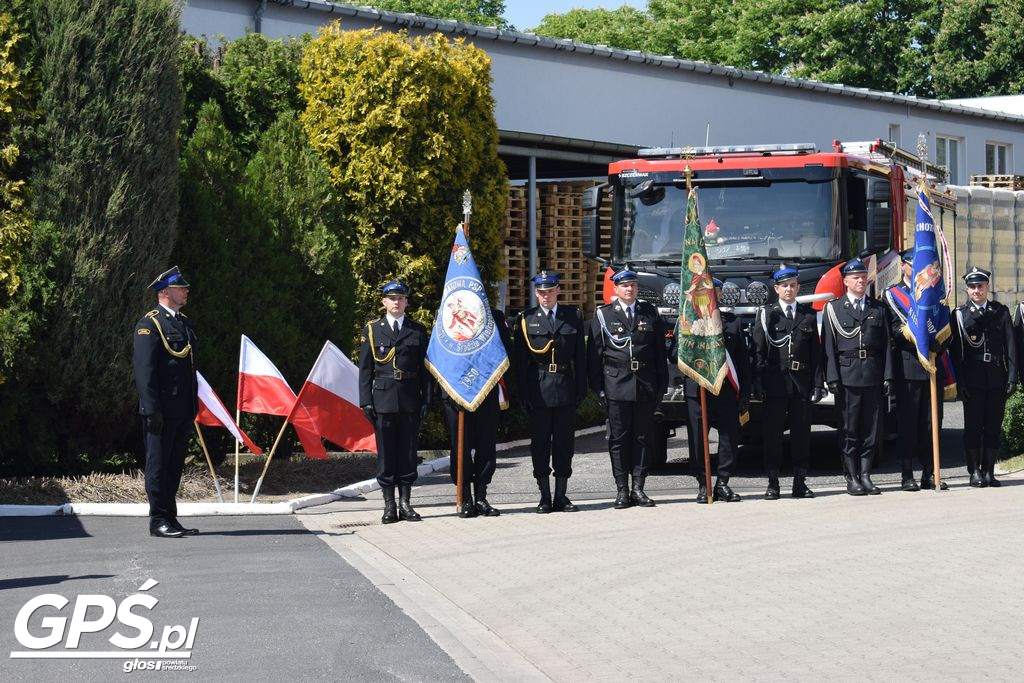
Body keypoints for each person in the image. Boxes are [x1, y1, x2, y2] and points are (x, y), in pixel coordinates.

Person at [587, 269, 668, 509]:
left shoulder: (649, 313)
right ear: (616, 289)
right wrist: (599, 388)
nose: (629, 289)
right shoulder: (604, 315)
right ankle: (622, 488)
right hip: (616, 384)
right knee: (619, 439)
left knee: (643, 437)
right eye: (624, 286)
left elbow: (659, 354)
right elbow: (595, 356)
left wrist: (661, 387)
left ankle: (639, 488)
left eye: (632, 285)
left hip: (644, 384)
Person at [133, 266, 199, 538]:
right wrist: (151, 409)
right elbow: (144, 371)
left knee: (174, 465)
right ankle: (157, 519)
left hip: (182, 408)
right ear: (165, 292)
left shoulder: (183, 323)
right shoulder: (150, 325)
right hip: (161, 410)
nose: (185, 291)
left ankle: (170, 518)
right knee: (158, 465)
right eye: (180, 287)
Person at [514, 271, 587, 513]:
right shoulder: (526, 319)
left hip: (565, 386)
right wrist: (523, 394)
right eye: (541, 292)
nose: (546, 296)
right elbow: (520, 361)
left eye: (550, 291)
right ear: (536, 293)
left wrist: (581, 389)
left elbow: (580, 357)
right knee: (541, 443)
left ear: (558, 291)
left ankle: (561, 496)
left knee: (565, 444)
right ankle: (544, 496)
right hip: (539, 389)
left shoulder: (572, 316)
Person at [358, 280, 430, 524]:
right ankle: (389, 505)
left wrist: (426, 399)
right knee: (387, 454)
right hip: (383, 400)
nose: (396, 302)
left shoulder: (417, 330)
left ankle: (406, 504)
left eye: (401, 298)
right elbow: (365, 370)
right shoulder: (372, 330)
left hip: (410, 398)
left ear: (407, 301)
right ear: (383, 302)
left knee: (408, 453)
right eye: (392, 298)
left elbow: (425, 369)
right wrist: (366, 401)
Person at [822, 259, 894, 496]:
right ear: (845, 282)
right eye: (855, 278)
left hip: (872, 375)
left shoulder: (878, 309)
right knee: (849, 430)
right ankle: (851, 476)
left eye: (863, 277)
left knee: (871, 430)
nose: (860, 281)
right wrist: (832, 377)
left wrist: (887, 377)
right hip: (847, 377)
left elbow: (886, 347)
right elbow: (829, 348)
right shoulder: (833, 309)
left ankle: (866, 475)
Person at [751, 267, 824, 500]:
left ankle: (799, 482)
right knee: (772, 436)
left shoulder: (808, 315)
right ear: (776, 289)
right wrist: (758, 383)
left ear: (798, 287)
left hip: (801, 384)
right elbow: (759, 352)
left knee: (801, 436)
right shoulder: (766, 315)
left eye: (793, 285)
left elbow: (816, 355)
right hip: (775, 385)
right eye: (785, 286)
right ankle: (773, 483)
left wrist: (818, 384)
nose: (789, 289)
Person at [884, 250, 950, 491]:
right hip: (908, 367)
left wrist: (938, 342)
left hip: (932, 366)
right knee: (908, 425)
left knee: (931, 424)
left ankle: (931, 473)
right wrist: (918, 339)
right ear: (904, 267)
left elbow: (945, 324)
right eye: (914, 266)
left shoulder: (935, 294)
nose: (919, 271)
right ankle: (907, 473)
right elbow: (892, 330)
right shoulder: (892, 295)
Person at [950, 267, 1018, 487]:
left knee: (992, 426)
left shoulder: (1000, 312)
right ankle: (975, 472)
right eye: (972, 287)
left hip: (997, 377)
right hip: (973, 379)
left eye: (980, 286)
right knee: (972, 427)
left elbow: (1011, 347)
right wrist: (960, 383)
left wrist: (1012, 378)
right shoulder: (960, 315)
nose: (976, 290)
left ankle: (989, 471)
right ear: (967, 290)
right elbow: (956, 353)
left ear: (987, 287)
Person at [684, 278, 750, 503]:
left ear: (720, 296)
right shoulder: (687, 321)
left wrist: (746, 393)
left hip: (726, 390)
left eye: (715, 292)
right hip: (698, 389)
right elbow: (674, 353)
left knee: (729, 438)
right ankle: (704, 484)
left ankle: (723, 482)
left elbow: (742, 362)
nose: (711, 296)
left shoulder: (732, 322)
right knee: (698, 438)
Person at [443, 307, 512, 518]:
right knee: (460, 447)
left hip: (487, 390)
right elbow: (441, 356)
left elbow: (507, 353)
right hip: (456, 393)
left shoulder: (495, 317)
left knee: (486, 446)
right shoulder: (447, 312)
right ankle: (465, 499)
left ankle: (481, 497)